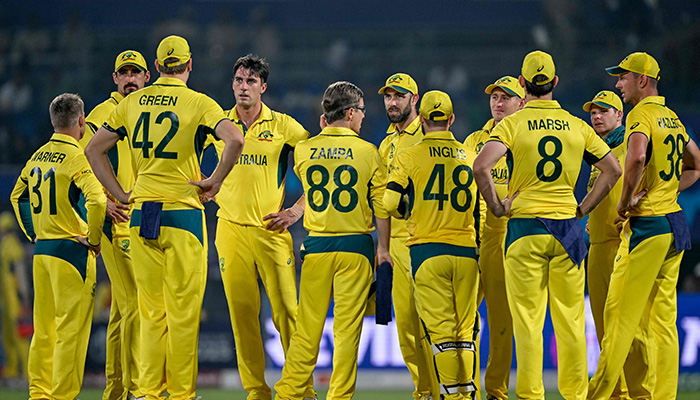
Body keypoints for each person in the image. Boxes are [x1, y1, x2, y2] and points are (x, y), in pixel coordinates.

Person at [84, 35, 245, 400]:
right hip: (183, 212)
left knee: (150, 311)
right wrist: (214, 181)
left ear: (156, 68)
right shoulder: (199, 102)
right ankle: (181, 394)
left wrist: (122, 194)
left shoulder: (132, 103)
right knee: (183, 313)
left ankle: (146, 392)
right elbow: (235, 140)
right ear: (189, 66)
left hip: (141, 214)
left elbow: (94, 150)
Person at [473, 50, 621, 400]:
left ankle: (530, 395)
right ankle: (575, 394)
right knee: (570, 321)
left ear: (522, 86)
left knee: (528, 322)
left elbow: (481, 166)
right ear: (555, 82)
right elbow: (612, 169)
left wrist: (497, 206)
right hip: (568, 230)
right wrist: (582, 208)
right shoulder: (578, 125)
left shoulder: (513, 123)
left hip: (525, 229)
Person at [201, 54, 315, 400]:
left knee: (287, 315)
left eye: (251, 81)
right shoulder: (217, 122)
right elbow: (183, 156)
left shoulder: (286, 127)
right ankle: (256, 391)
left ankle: (301, 389)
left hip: (272, 231)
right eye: (238, 80)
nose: (243, 87)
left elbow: (320, 169)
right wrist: (202, 186)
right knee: (243, 317)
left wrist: (297, 211)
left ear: (263, 87)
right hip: (230, 230)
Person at [587, 52, 700, 400]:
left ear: (642, 80)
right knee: (664, 321)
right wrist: (667, 189)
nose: (618, 84)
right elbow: (695, 165)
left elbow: (635, 157)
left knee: (619, 315)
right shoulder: (672, 118)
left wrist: (626, 202)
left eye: (623, 77)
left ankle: (599, 394)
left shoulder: (642, 115)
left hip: (647, 226)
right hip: (674, 223)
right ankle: (663, 396)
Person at [274, 81, 391, 400]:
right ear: (351, 112)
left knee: (306, 331)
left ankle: (288, 393)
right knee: (347, 333)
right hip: (356, 246)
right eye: (362, 111)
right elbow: (381, 205)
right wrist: (383, 248)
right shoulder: (369, 152)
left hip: (317, 247)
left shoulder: (304, 150)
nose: (364, 118)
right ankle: (338, 397)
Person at [384, 90, 481, 399]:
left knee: (440, 335)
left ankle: (451, 395)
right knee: (465, 334)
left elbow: (389, 202)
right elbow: (481, 206)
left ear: (422, 120)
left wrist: (409, 210)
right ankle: (467, 395)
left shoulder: (410, 155)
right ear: (451, 119)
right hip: (467, 250)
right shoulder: (469, 154)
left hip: (427, 251)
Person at [10, 93, 107, 400]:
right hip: (71, 252)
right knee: (70, 332)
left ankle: (38, 394)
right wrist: (93, 239)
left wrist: (33, 233)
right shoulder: (77, 157)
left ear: (53, 122)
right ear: (81, 121)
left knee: (44, 331)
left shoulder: (38, 156)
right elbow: (98, 199)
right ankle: (63, 396)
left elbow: (18, 195)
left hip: (42, 254)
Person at [79, 49, 150, 400]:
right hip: (117, 225)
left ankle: (116, 390)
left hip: (142, 220)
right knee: (136, 304)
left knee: (124, 312)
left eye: (136, 72)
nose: (130, 78)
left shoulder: (148, 111)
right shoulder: (103, 114)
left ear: (146, 77)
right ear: (115, 79)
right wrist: (104, 201)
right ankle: (137, 389)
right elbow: (79, 162)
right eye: (124, 73)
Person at [377, 72, 437, 400]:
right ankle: (424, 391)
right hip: (397, 245)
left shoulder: (428, 135)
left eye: (399, 96)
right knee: (407, 330)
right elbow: (381, 200)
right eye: (388, 96)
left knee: (432, 325)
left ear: (415, 99)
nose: (393, 102)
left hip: (425, 239)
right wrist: (382, 248)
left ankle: (446, 389)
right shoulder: (386, 142)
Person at [464, 76, 524, 400]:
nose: (498, 103)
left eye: (506, 98)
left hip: (506, 238)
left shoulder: (525, 141)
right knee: (465, 320)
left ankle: (496, 391)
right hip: (473, 238)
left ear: (522, 103)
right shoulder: (475, 140)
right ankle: (464, 387)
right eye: (494, 98)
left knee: (501, 321)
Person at [582, 90, 639, 399]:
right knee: (604, 328)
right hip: (598, 246)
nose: (597, 116)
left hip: (622, 245)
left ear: (620, 115)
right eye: (593, 112)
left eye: (604, 111)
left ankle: (633, 391)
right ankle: (615, 393)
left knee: (625, 327)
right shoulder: (599, 150)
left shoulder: (632, 142)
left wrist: (641, 206)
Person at [0, 211, 29, 382]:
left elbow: (20, 274)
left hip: (14, 299)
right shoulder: (6, 246)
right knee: (8, 334)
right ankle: (12, 368)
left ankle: (25, 371)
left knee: (19, 335)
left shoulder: (12, 247)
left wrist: (24, 296)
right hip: (6, 298)